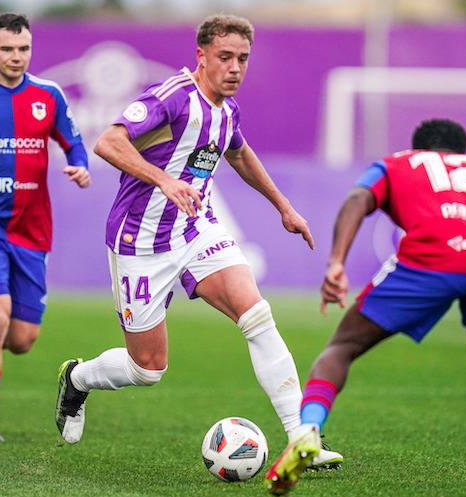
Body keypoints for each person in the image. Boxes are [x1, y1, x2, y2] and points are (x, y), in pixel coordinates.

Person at [53, 14, 342, 470]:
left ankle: (302, 440)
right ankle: (79, 379)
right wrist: (163, 179)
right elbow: (109, 142)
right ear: (202, 56)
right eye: (225, 57)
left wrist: (283, 206)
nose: (234, 67)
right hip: (141, 242)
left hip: (196, 229)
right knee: (146, 369)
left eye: (243, 59)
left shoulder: (228, 110)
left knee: (257, 316)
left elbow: (239, 152)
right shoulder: (172, 98)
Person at [264, 119, 466, 497]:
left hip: (435, 255)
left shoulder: (397, 163)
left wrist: (336, 262)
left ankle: (309, 429)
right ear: (459, 152)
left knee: (343, 346)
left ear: (418, 148)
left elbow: (358, 199)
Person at [0, 13, 89, 442]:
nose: (16, 56)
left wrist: (80, 165)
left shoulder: (49, 95)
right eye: (7, 49)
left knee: (23, 338)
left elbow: (74, 140)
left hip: (32, 230)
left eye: (24, 48)